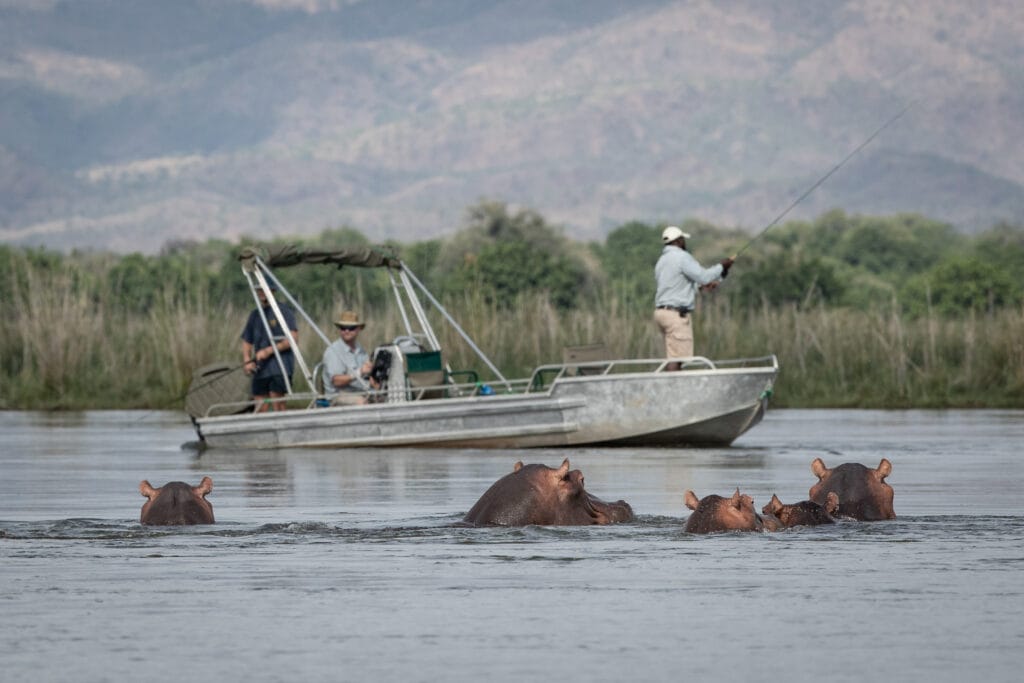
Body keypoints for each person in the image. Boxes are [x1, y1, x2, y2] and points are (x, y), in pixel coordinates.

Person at [654, 226, 735, 370]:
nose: (684, 242)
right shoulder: (682, 257)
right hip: (675, 316)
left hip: (662, 314)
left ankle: (673, 388)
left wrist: (715, 279)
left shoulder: (661, 261)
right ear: (678, 241)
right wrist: (722, 266)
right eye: (683, 239)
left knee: (674, 356)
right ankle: (673, 390)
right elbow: (703, 277)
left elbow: (681, 286)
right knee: (678, 359)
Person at [241, 280, 298, 412]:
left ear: (272, 291)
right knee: (260, 406)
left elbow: (292, 339)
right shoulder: (254, 315)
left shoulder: (283, 311)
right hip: (260, 370)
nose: (261, 293)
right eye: (258, 290)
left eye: (264, 289)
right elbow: (247, 340)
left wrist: (269, 351)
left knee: (277, 403)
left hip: (280, 368)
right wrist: (246, 360)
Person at [321, 310, 378, 406]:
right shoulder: (333, 351)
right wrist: (359, 372)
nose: (346, 331)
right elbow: (336, 381)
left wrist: (374, 382)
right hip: (338, 394)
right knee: (361, 402)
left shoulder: (361, 350)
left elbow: (367, 375)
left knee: (383, 397)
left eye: (351, 328)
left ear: (358, 329)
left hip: (360, 391)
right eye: (343, 328)